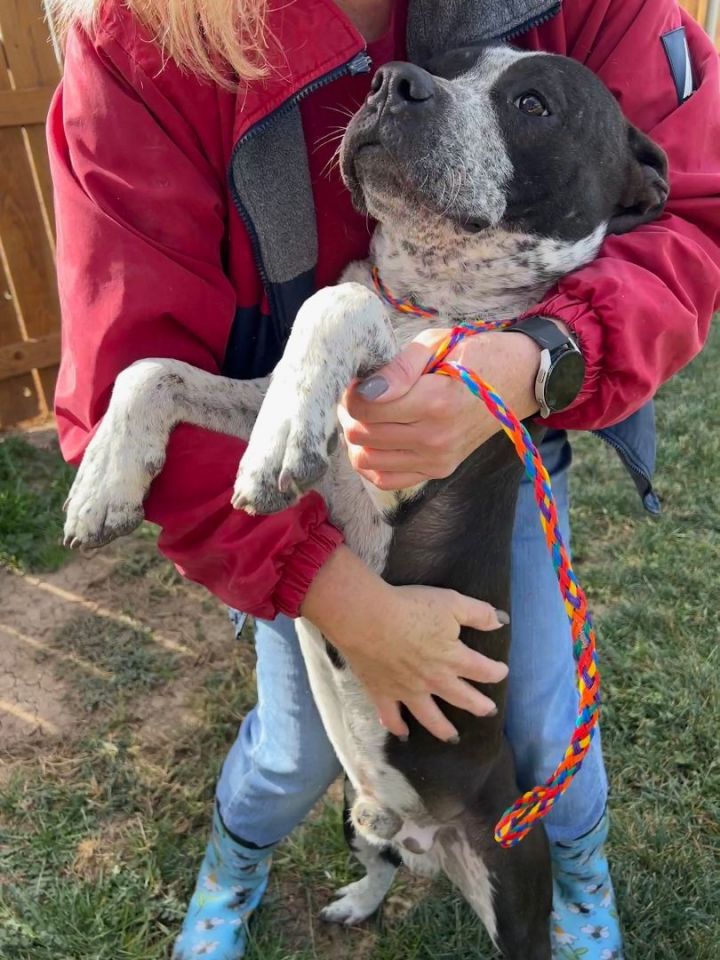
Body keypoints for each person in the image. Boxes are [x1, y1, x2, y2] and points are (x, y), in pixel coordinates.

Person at [47, 0, 720, 958]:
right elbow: (133, 343)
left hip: (514, 402)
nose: (397, 87)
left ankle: (576, 886)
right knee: (289, 754)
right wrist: (354, 611)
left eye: (525, 103)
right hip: (284, 504)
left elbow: (694, 211)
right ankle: (233, 871)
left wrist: (537, 362)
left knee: (548, 722)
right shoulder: (139, 44)